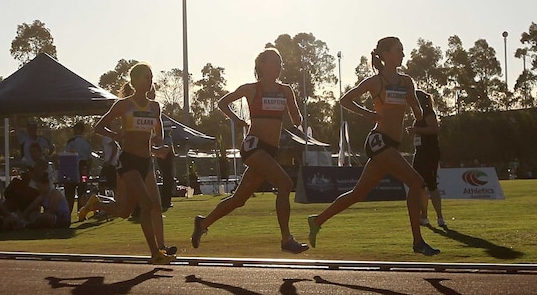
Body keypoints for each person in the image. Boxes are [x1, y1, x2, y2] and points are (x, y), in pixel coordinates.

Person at [307, 36, 440, 256]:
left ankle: (317, 220)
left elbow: (416, 111)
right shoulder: (375, 82)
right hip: (378, 141)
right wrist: (368, 113)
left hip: (392, 144)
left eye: (402, 50)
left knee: (358, 193)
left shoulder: (406, 81)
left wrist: (418, 108)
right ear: (385, 55)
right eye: (398, 50)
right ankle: (418, 241)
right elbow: (345, 100)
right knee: (416, 181)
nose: (402, 54)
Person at [191, 47, 309, 254]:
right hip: (254, 146)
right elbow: (222, 102)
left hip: (270, 150)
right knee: (285, 183)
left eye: (280, 63)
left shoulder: (286, 90)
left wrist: (297, 114)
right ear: (261, 65)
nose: (278, 66)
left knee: (239, 199)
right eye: (274, 62)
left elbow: (296, 118)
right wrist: (237, 120)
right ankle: (286, 239)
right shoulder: (251, 89)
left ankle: (203, 223)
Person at [78, 62, 176, 265]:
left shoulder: (154, 106)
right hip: (129, 161)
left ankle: (97, 203)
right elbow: (99, 127)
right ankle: (156, 253)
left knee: (124, 211)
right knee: (147, 204)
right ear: (134, 81)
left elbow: (157, 134)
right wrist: (116, 134)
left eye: (151, 77)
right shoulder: (124, 105)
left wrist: (159, 146)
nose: (149, 81)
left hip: (146, 162)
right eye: (145, 77)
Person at [409, 90, 447, 229]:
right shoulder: (418, 116)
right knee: (419, 185)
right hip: (420, 152)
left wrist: (416, 130)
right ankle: (424, 216)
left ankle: (440, 217)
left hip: (429, 153)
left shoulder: (428, 113)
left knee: (431, 185)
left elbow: (434, 129)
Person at [61, 121, 93, 214]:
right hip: (84, 168)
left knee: (70, 191)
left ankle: (68, 212)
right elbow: (90, 159)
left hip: (72, 167)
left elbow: (67, 155)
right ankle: (81, 212)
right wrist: (88, 172)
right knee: (82, 190)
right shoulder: (86, 143)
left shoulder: (71, 141)